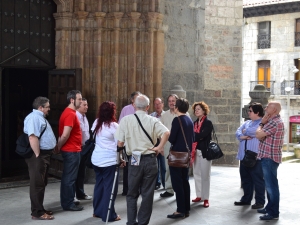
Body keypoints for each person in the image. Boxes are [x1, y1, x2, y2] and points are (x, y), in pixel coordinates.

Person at [115, 94, 170, 225]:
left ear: (134, 105)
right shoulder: (153, 120)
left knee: (132, 193)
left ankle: (131, 222)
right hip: (150, 158)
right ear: (148, 107)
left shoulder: (126, 120)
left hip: (134, 158)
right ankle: (143, 223)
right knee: (147, 194)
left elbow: (120, 143)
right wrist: (159, 147)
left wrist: (120, 158)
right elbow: (166, 132)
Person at [24, 97, 56, 220]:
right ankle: (37, 212)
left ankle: (40, 208)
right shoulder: (34, 118)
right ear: (40, 107)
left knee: (42, 182)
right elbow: (32, 137)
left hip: (44, 154)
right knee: (37, 183)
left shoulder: (39, 117)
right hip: (38, 155)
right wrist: (37, 154)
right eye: (47, 107)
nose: (49, 109)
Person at [91, 101, 124, 222]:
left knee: (99, 185)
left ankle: (97, 211)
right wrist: (121, 159)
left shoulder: (96, 123)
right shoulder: (114, 126)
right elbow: (118, 146)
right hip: (109, 161)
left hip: (96, 159)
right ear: (112, 112)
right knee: (110, 189)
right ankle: (109, 215)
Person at [255, 102, 284, 221]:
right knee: (270, 186)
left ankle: (273, 212)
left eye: (268, 107)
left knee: (271, 187)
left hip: (269, 158)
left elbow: (258, 135)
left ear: (275, 110)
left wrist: (261, 123)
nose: (265, 108)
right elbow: (261, 135)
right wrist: (261, 131)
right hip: (268, 157)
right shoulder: (273, 121)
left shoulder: (273, 122)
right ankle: (269, 207)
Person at [234, 102, 265, 209]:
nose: (248, 112)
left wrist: (245, 132)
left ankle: (260, 202)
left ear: (257, 112)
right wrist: (242, 136)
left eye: (250, 111)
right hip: (243, 156)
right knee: (245, 179)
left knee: (258, 180)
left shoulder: (262, 123)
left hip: (255, 157)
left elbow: (254, 132)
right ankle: (246, 199)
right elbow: (237, 132)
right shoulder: (247, 122)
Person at [167, 98, 194, 219]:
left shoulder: (177, 120)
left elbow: (172, 138)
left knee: (177, 184)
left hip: (177, 156)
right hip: (186, 155)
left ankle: (180, 210)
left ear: (177, 108)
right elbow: (193, 138)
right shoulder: (189, 119)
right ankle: (186, 209)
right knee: (185, 182)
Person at [57, 90, 83, 211]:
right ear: (72, 100)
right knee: (69, 178)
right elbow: (65, 135)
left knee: (70, 177)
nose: (81, 101)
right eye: (79, 99)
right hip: (71, 150)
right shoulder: (70, 114)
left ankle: (69, 199)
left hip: (73, 149)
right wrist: (58, 146)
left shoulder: (70, 113)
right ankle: (68, 203)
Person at [190, 101, 213, 208]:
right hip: (195, 151)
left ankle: (206, 198)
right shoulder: (194, 123)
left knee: (205, 175)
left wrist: (196, 135)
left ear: (204, 110)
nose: (196, 111)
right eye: (195, 109)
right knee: (197, 174)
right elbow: (195, 136)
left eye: (198, 109)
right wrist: (198, 135)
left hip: (205, 151)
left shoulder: (208, 123)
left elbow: (203, 135)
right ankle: (199, 195)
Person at [118, 91, 141, 196]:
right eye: (136, 98)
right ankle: (126, 189)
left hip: (137, 145)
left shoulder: (142, 109)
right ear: (132, 100)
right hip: (127, 144)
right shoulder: (125, 109)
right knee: (127, 167)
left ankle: (135, 189)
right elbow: (120, 125)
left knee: (136, 166)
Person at [74, 98, 92, 204]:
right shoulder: (76, 116)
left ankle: (80, 192)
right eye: (84, 105)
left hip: (84, 146)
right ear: (78, 106)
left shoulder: (84, 116)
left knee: (82, 172)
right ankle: (74, 195)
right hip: (77, 147)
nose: (86, 107)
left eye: (87, 105)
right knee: (75, 173)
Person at [150, 97, 166, 190]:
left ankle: (165, 183)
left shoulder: (166, 115)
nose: (157, 106)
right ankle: (157, 182)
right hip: (155, 143)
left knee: (163, 166)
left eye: (159, 104)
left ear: (162, 104)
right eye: (155, 104)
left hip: (163, 143)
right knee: (155, 165)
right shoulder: (151, 116)